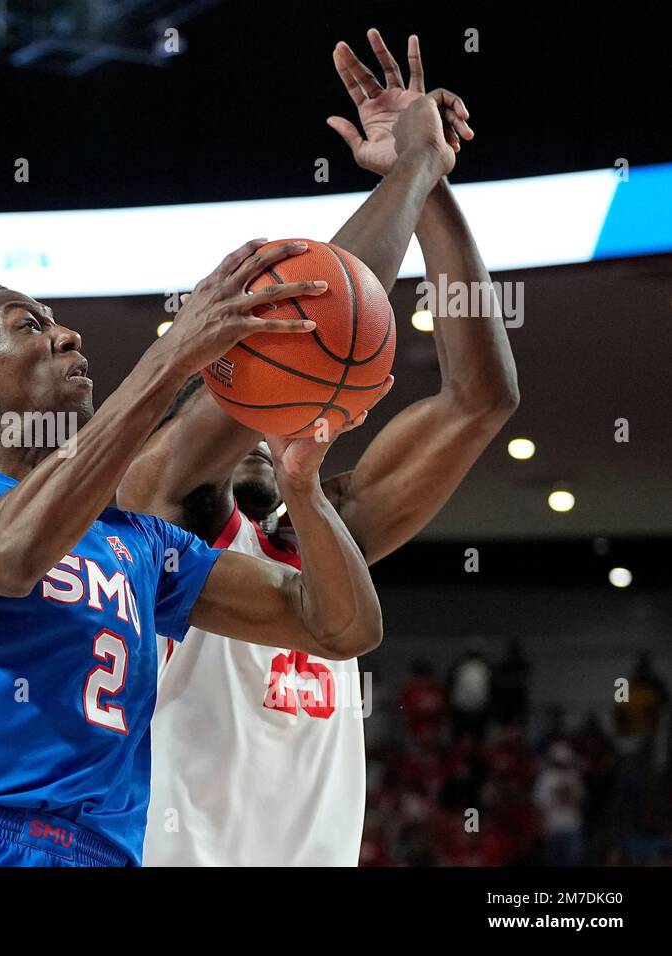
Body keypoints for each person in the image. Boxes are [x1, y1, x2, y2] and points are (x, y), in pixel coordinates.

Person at [0, 227, 388, 866]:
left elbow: (338, 628)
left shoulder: (137, 541)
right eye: (29, 326)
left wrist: (303, 488)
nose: (67, 335)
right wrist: (172, 361)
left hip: (102, 853)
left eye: (57, 322)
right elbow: (9, 554)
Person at [121, 30, 519, 866]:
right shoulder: (157, 502)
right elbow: (309, 324)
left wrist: (433, 173)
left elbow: (481, 400)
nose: (267, 435)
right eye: (248, 411)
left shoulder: (325, 529)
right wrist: (408, 169)